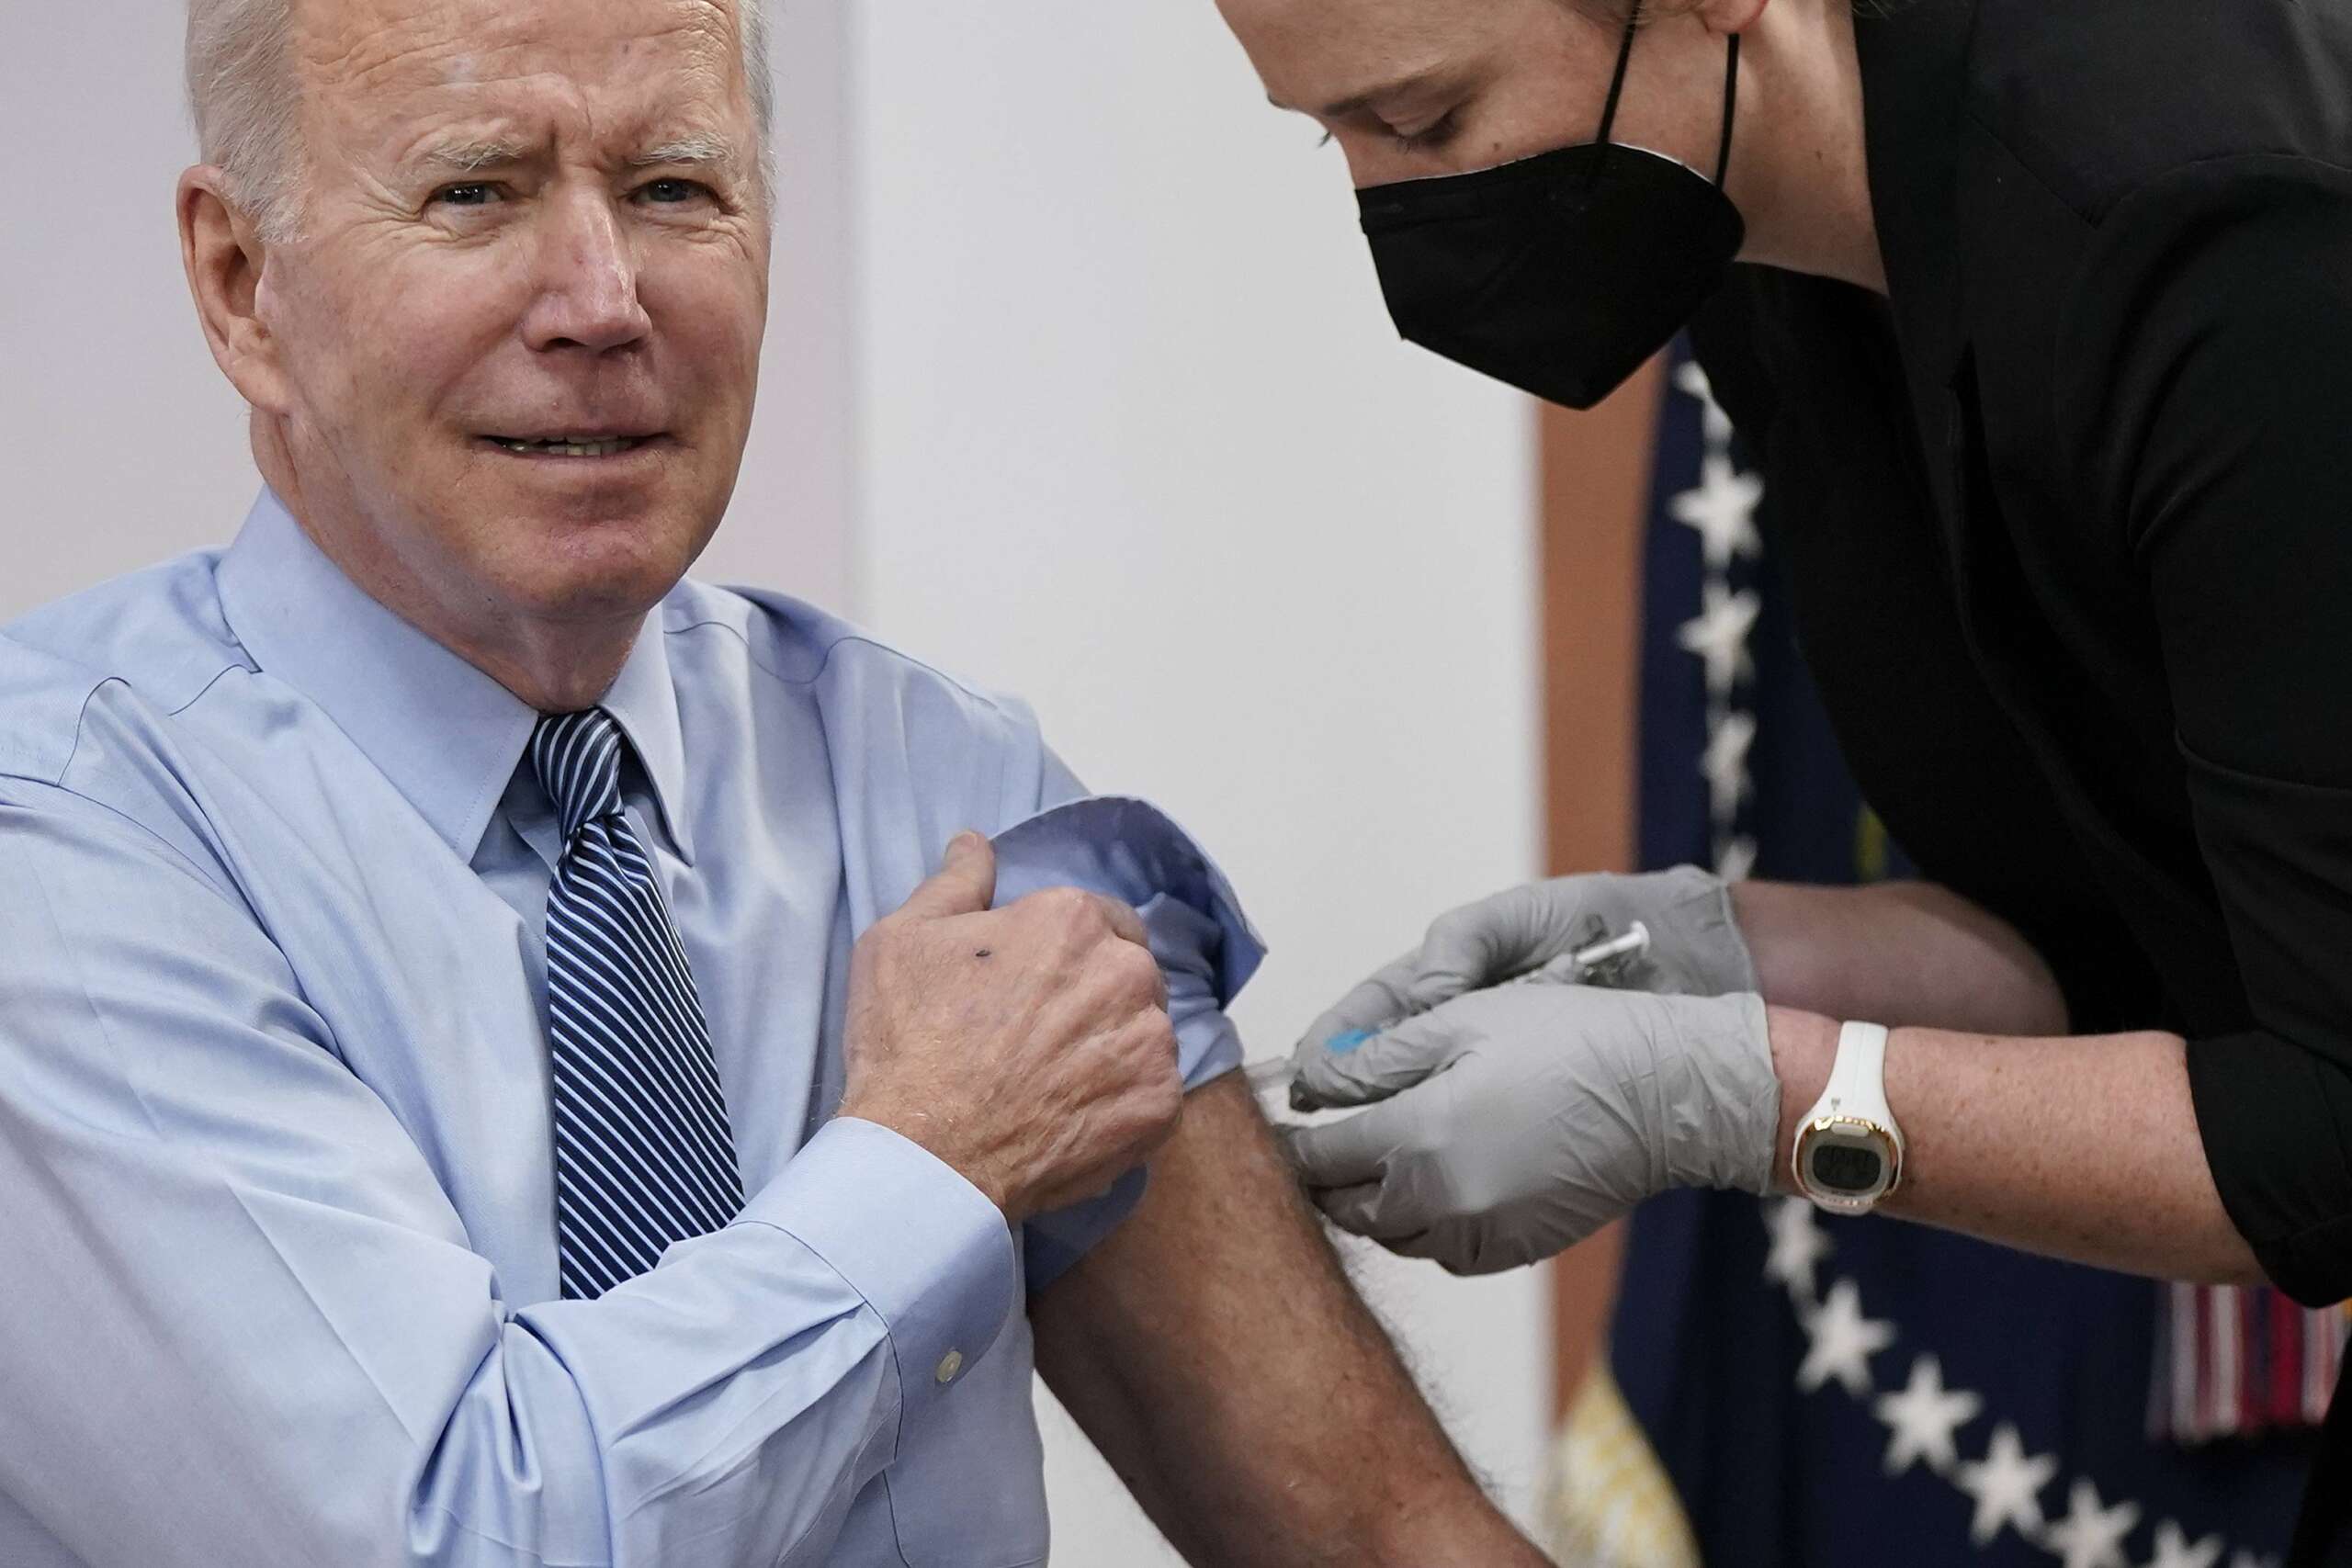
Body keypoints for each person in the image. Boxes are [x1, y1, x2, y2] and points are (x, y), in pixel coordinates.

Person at [0, 2, 1555, 1564]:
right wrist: (932, 1161)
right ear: (240, 282)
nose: (603, 303)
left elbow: (1379, 1538)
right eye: (474, 191)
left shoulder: (943, 792)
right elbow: (462, 1536)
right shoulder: (64, 843)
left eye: (675, 188)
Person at [1207, 0, 2352, 1554]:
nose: (1387, 206)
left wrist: (1734, 1096)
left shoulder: (2214, 232)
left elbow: (2326, 1129)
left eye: (1424, 121)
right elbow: (2120, 930)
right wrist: (1713, 958)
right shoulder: (1774, 259)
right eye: (1328, 135)